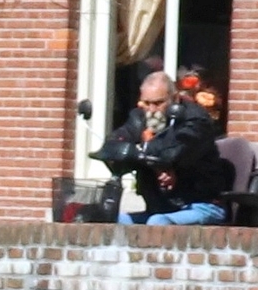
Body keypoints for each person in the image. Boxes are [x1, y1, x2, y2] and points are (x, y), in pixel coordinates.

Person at [95, 72, 232, 226]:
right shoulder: (140, 117)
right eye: (146, 103)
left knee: (157, 222)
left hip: (200, 205)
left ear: (175, 99)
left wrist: (146, 149)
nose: (152, 110)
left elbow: (174, 150)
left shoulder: (196, 119)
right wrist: (157, 165)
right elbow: (113, 144)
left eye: (158, 103)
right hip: (160, 208)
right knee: (110, 220)